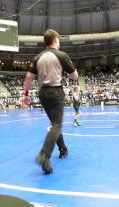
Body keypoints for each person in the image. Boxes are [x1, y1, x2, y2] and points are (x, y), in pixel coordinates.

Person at [23, 29, 78, 174]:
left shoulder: (37, 57)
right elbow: (74, 76)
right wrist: (66, 70)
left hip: (43, 93)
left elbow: (29, 77)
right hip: (55, 92)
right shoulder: (61, 55)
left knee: (55, 124)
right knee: (57, 125)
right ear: (55, 40)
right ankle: (44, 155)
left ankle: (63, 149)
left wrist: (26, 94)